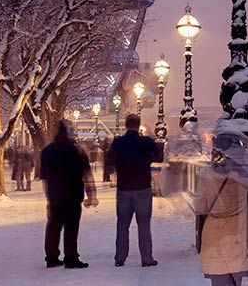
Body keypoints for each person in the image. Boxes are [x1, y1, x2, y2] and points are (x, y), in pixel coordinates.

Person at [195, 132, 248, 285]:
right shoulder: (242, 176)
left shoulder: (205, 177)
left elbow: (200, 207)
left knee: (218, 278)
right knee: (240, 278)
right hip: (240, 230)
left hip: (215, 234)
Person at [40, 121, 97, 269]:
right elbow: (87, 174)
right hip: (73, 194)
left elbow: (44, 177)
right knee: (71, 228)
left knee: (53, 227)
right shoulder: (77, 151)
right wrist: (92, 195)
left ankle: (51, 257)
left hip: (55, 195)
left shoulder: (47, 152)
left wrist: (48, 197)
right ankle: (71, 257)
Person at [108, 114, 163, 268]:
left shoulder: (118, 142)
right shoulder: (145, 142)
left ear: (126, 125)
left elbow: (110, 159)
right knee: (144, 225)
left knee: (122, 224)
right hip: (142, 188)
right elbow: (158, 155)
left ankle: (120, 257)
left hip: (124, 188)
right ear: (139, 126)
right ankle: (146, 258)